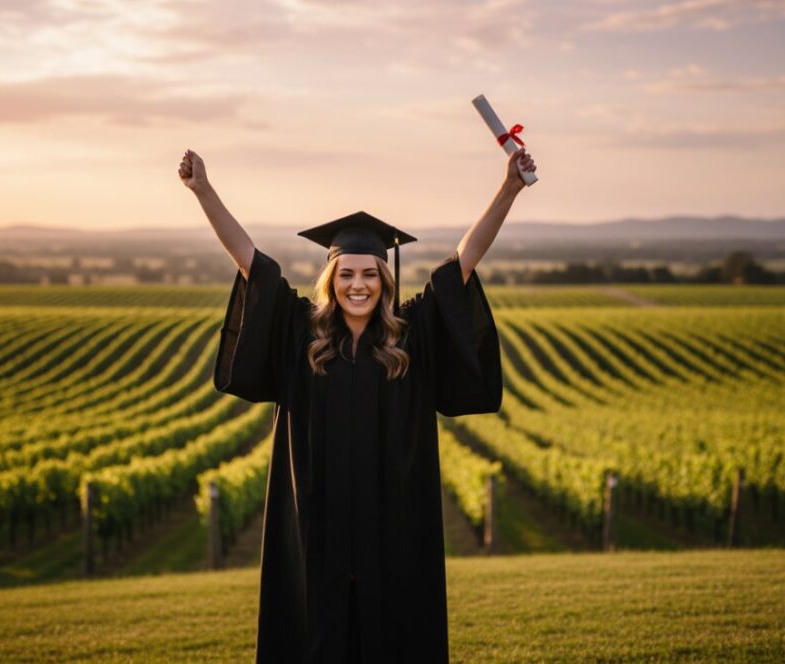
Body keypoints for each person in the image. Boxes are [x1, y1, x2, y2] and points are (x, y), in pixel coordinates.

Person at [179, 146, 536, 664]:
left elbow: (462, 262)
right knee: (312, 632)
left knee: (388, 634)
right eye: (346, 275)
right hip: (315, 528)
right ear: (332, 280)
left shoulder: (410, 340)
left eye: (369, 275)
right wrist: (203, 190)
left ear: (384, 280)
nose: (358, 285)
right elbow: (250, 261)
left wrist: (509, 187)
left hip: (391, 527)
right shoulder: (301, 335)